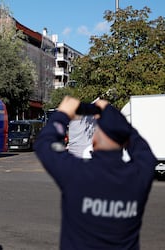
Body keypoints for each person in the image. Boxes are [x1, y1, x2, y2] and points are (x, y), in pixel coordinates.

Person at [34, 96, 157, 249]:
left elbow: (45, 143)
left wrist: (62, 114)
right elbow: (145, 151)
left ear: (94, 141)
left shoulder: (76, 172)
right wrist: (114, 117)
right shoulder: (138, 175)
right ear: (124, 140)